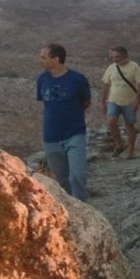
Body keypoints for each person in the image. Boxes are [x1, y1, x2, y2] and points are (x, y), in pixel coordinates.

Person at [36, 43, 91, 199]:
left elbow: (86, 101)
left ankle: (82, 207)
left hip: (74, 134)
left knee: (77, 176)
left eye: (44, 58)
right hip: (51, 137)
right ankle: (69, 208)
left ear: (56, 59)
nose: (40, 61)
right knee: (61, 180)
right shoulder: (42, 79)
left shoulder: (77, 79)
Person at [100, 45, 140, 159]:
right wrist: (103, 101)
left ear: (125, 56)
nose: (115, 59)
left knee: (130, 125)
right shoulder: (111, 68)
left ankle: (131, 151)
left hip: (129, 102)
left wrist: (137, 100)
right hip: (113, 100)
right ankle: (119, 145)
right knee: (111, 121)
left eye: (117, 57)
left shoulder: (134, 66)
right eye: (113, 57)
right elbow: (106, 85)